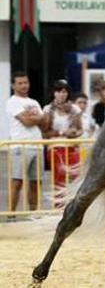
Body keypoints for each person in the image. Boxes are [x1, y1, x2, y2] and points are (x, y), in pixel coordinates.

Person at [5, 72, 44, 213]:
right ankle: (11, 215)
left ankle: (33, 214)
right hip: (20, 146)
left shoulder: (34, 102)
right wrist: (38, 117)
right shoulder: (12, 102)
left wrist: (35, 118)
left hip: (37, 146)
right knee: (17, 181)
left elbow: (45, 122)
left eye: (25, 82)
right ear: (13, 85)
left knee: (36, 183)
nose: (24, 86)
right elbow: (27, 122)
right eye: (20, 83)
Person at [41, 80, 83, 189]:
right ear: (54, 93)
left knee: (75, 178)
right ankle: (58, 206)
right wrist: (62, 133)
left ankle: (71, 205)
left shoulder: (75, 109)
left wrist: (74, 134)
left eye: (64, 92)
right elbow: (45, 133)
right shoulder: (48, 109)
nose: (61, 94)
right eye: (58, 91)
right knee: (59, 180)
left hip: (72, 147)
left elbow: (80, 129)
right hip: (55, 148)